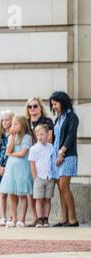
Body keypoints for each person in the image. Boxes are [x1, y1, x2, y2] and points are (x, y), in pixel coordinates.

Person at [49, 91, 79, 227]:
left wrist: (62, 152)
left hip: (68, 156)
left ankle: (73, 219)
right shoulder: (58, 119)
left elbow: (71, 136)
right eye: (52, 105)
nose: (53, 107)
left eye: (55, 104)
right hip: (57, 157)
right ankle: (64, 218)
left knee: (64, 185)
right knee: (60, 188)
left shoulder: (72, 117)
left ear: (63, 102)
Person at [0, 115, 33, 227]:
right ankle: (14, 219)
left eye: (15, 124)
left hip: (22, 167)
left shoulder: (27, 137)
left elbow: (23, 153)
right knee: (11, 194)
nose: (13, 126)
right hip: (11, 168)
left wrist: (11, 154)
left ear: (22, 125)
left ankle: (21, 220)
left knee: (22, 194)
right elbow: (8, 150)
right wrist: (12, 137)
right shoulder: (11, 137)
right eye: (12, 124)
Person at [24, 97, 54, 226]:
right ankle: (36, 217)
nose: (32, 109)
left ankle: (43, 218)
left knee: (45, 196)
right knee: (34, 193)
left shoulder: (46, 121)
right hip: (32, 161)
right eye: (30, 106)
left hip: (46, 165)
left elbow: (51, 139)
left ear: (40, 107)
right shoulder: (26, 122)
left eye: (35, 106)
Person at [28, 124, 55, 227]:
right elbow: (32, 163)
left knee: (48, 199)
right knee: (39, 199)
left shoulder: (51, 147)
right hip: (39, 177)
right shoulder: (34, 148)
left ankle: (46, 219)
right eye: (37, 134)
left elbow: (52, 162)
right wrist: (35, 176)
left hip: (49, 177)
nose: (39, 137)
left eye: (42, 134)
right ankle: (40, 219)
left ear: (48, 134)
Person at [0, 110, 14, 227]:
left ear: (12, 120)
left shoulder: (13, 135)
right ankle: (3, 217)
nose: (4, 122)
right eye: (2, 120)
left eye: (7, 120)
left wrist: (6, 167)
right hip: (0, 168)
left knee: (11, 193)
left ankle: (12, 216)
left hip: (10, 167)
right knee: (2, 193)